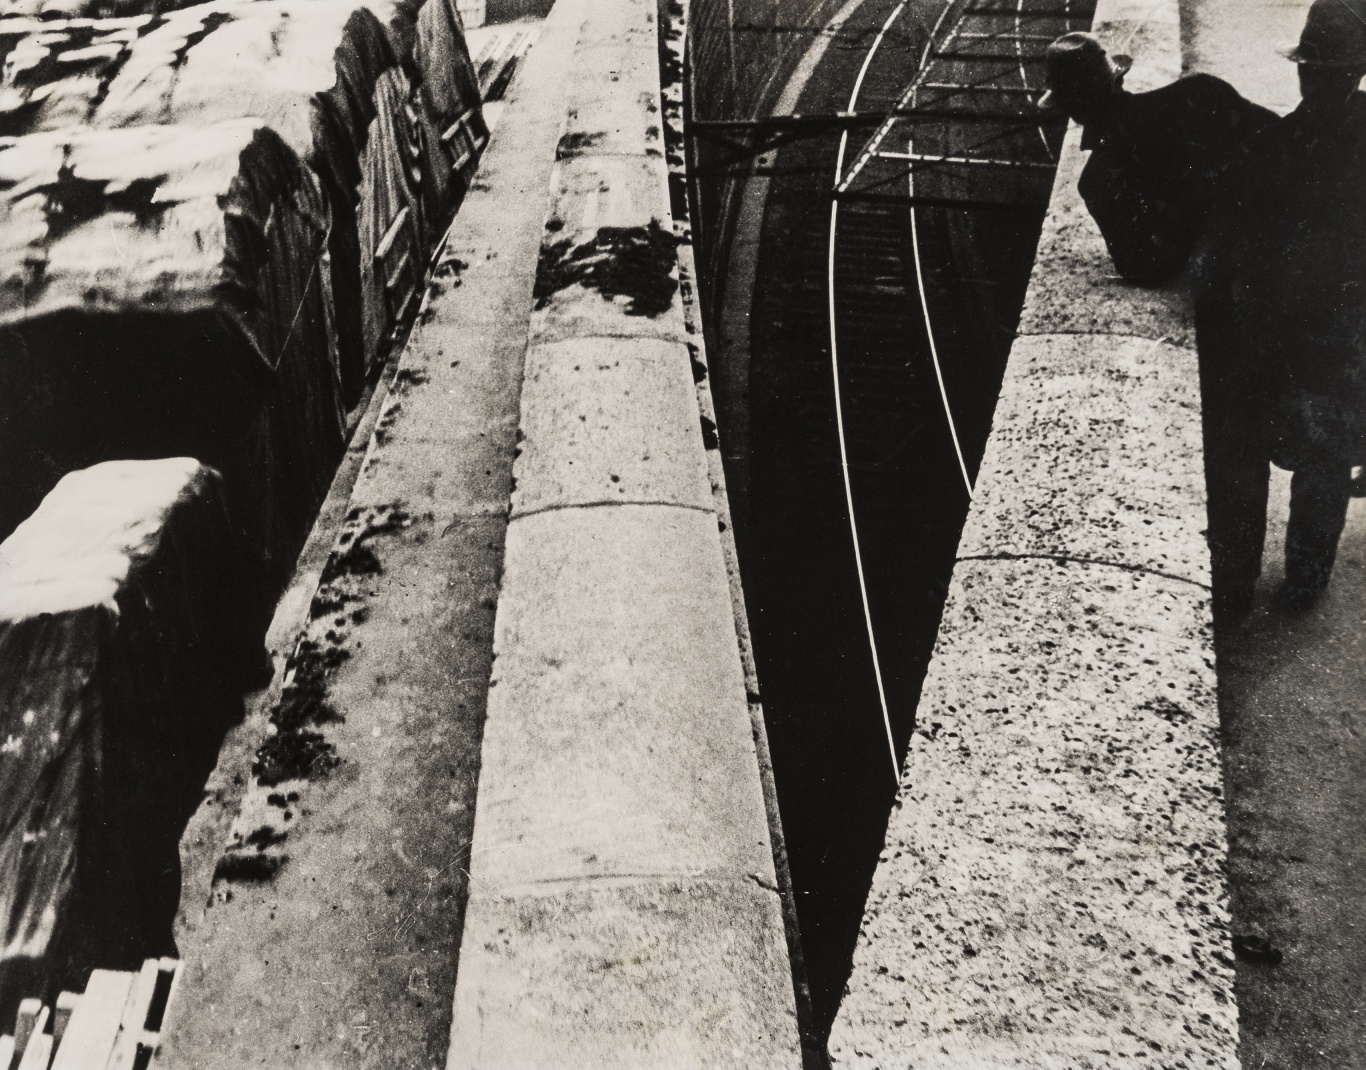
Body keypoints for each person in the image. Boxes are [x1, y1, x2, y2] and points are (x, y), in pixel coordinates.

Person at [1195, 0, 1366, 616]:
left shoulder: (1273, 144)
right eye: (1312, 69)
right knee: (1323, 459)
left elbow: (1240, 242)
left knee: (1276, 458)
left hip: (1300, 332)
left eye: (1328, 71)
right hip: (1330, 335)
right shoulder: (1279, 142)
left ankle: (1258, 582)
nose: (1315, 80)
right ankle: (1298, 581)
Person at [1041, 32, 1276, 283]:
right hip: (1284, 217)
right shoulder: (1201, 90)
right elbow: (1279, 134)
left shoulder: (1098, 183)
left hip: (1245, 255)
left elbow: (1145, 267)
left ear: (1074, 110)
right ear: (1117, 79)